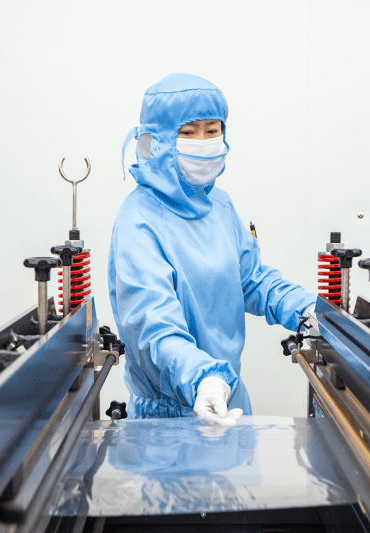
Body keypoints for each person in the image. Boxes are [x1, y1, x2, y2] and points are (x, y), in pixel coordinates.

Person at [108, 73, 316, 424]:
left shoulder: (220, 205)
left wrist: (309, 311)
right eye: (187, 132)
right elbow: (150, 322)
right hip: (171, 414)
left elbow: (251, 281)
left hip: (228, 399)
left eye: (212, 129)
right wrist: (202, 378)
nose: (202, 142)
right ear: (155, 141)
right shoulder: (138, 218)